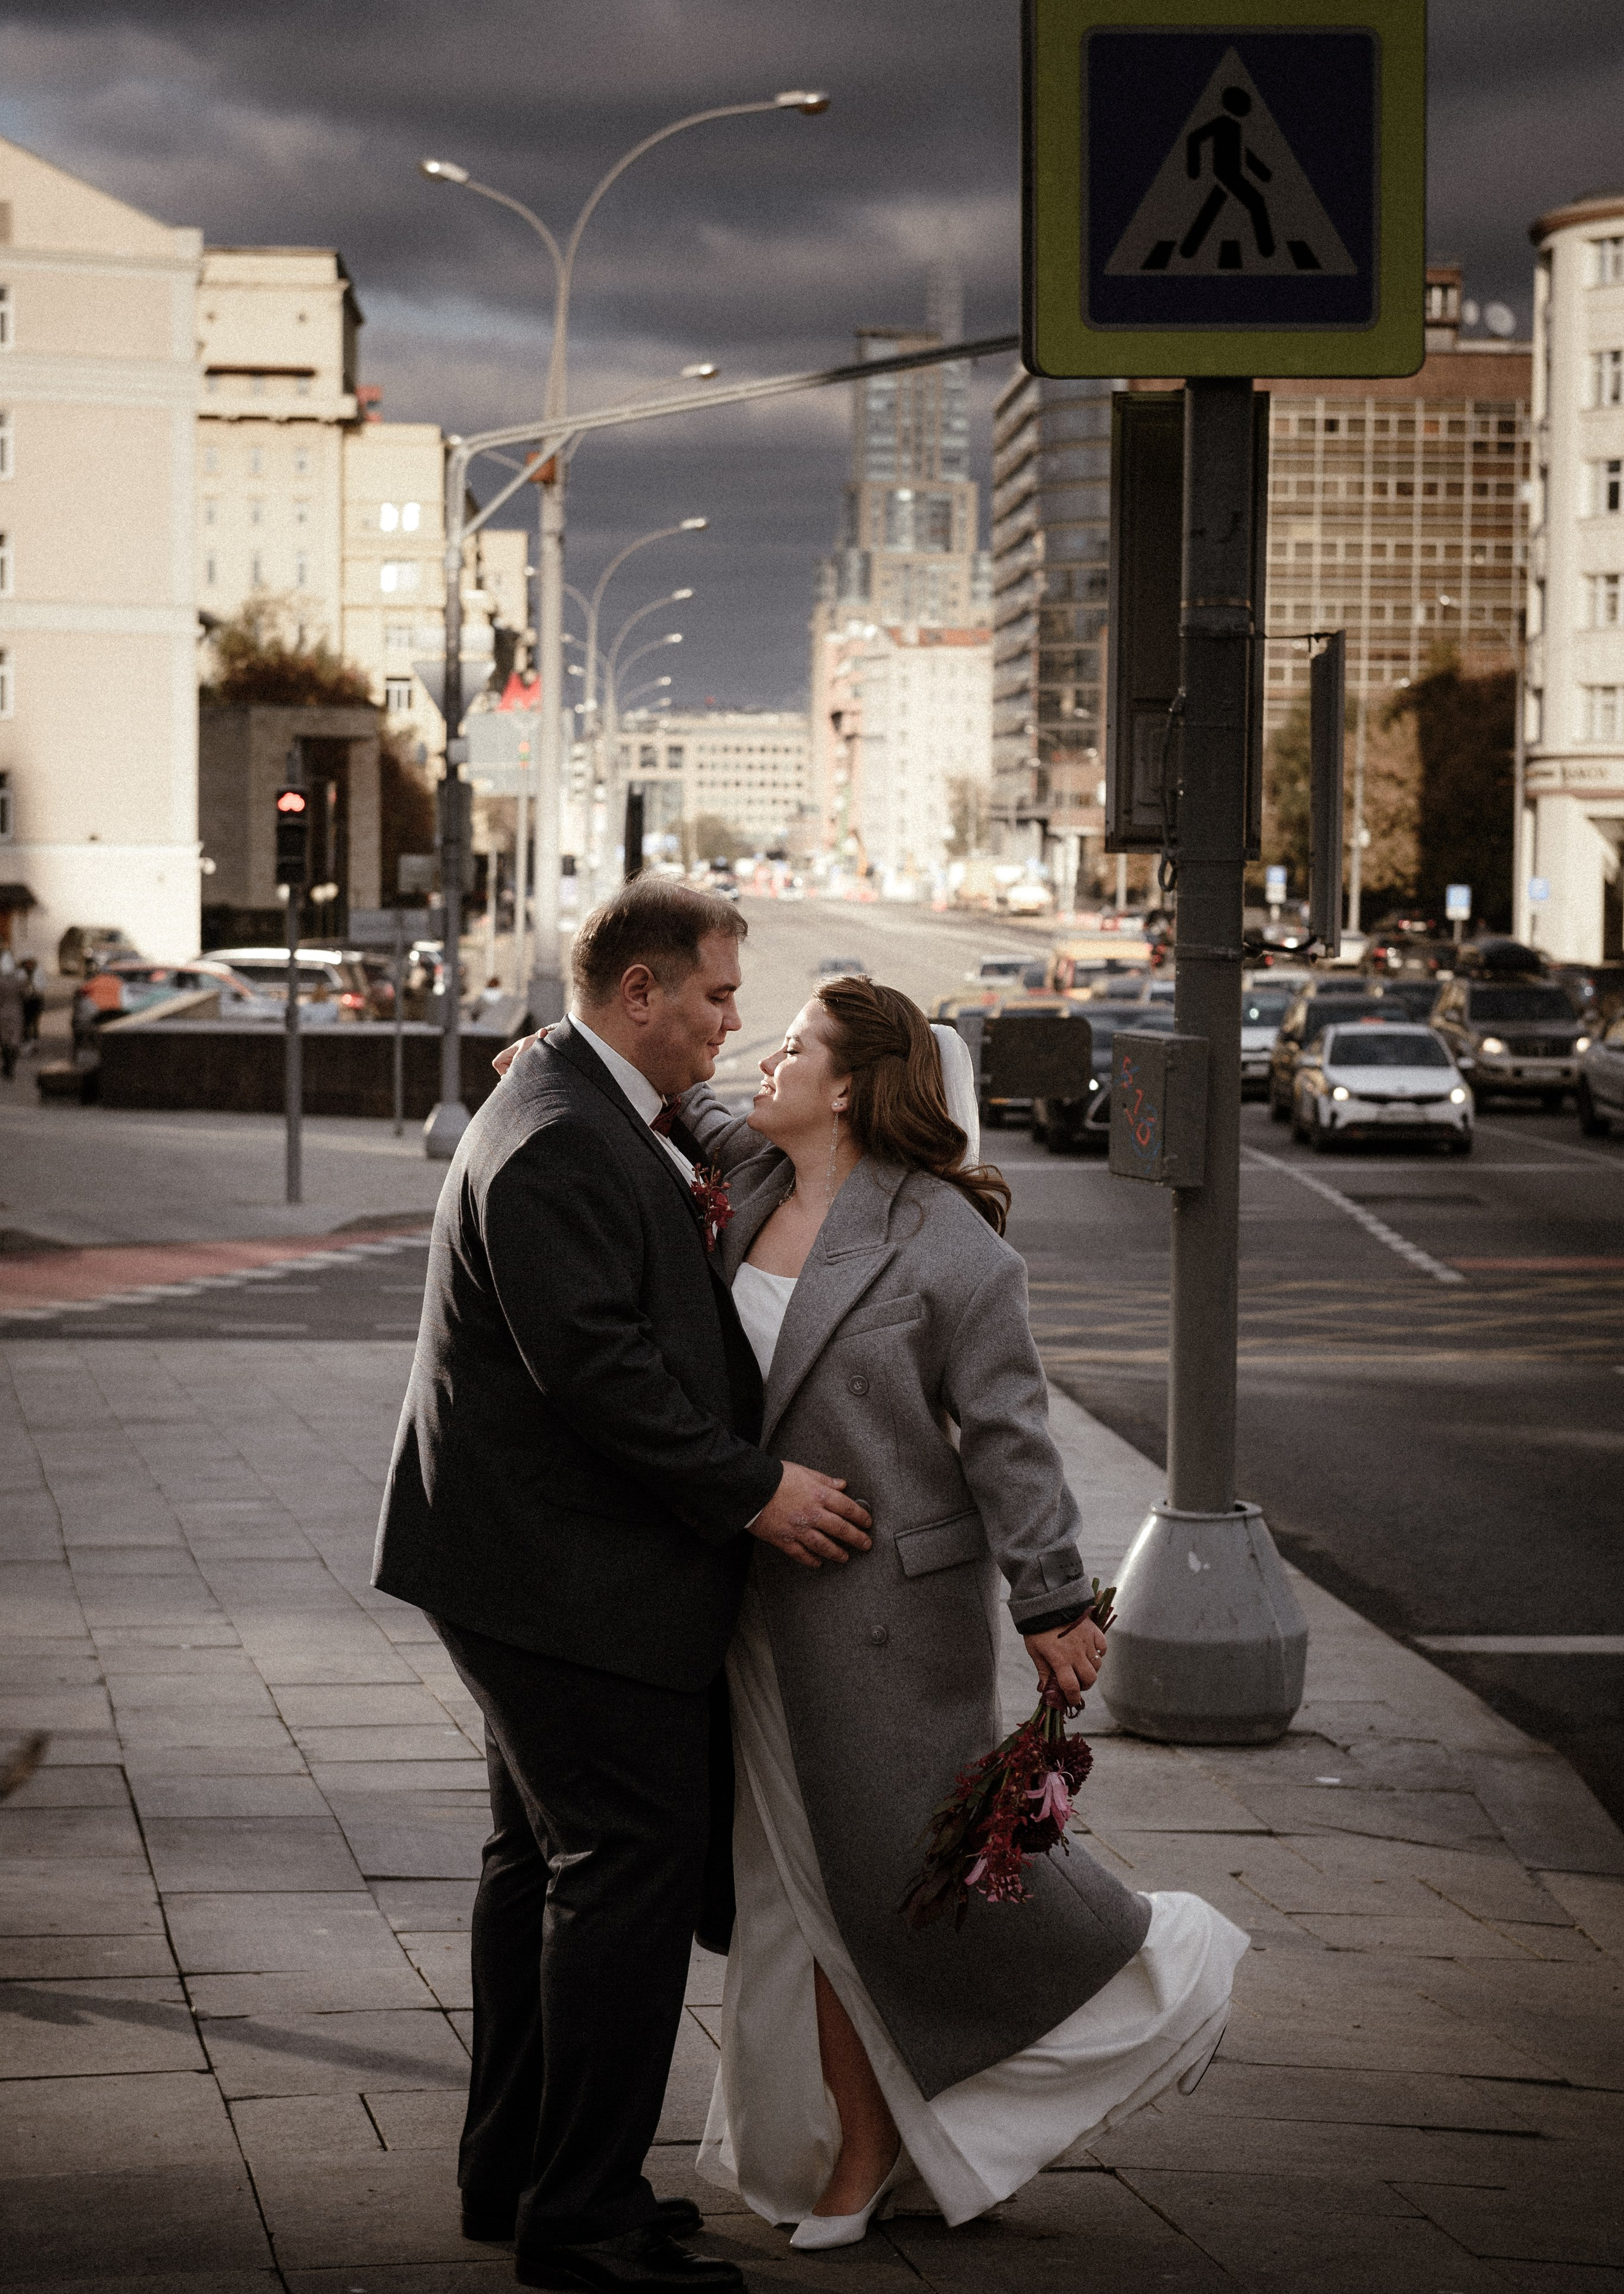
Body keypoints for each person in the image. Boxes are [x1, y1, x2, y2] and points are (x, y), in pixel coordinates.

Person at [682, 978, 1247, 2243]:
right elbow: (672, 1097)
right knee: (790, 1888)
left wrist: (1052, 1599)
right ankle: (858, 2144)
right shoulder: (754, 1180)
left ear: (850, 1086)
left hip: (886, 1624)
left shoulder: (949, 1242)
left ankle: (1134, 1975)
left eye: (794, 1047)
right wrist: (554, 1048)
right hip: (750, 1616)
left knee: (869, 1887)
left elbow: (1011, 1438)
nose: (764, 1061)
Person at [372, 882, 874, 2294]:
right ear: (638, 994)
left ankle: (517, 2172)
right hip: (560, 1576)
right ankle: (579, 2214)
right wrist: (754, 1490)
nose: (733, 1022)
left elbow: (688, 1178)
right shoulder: (549, 1142)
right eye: (715, 996)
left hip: (526, 1555)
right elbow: (597, 1374)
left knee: (536, 1859)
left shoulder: (580, 1097)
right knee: (627, 1869)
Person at [0, 953, 24, 1081]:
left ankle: (7, 1066)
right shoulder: (19, 981)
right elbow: (26, 994)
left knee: (5, 1041)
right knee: (14, 1040)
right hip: (16, 1012)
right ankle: (11, 1067)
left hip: (3, 1013)